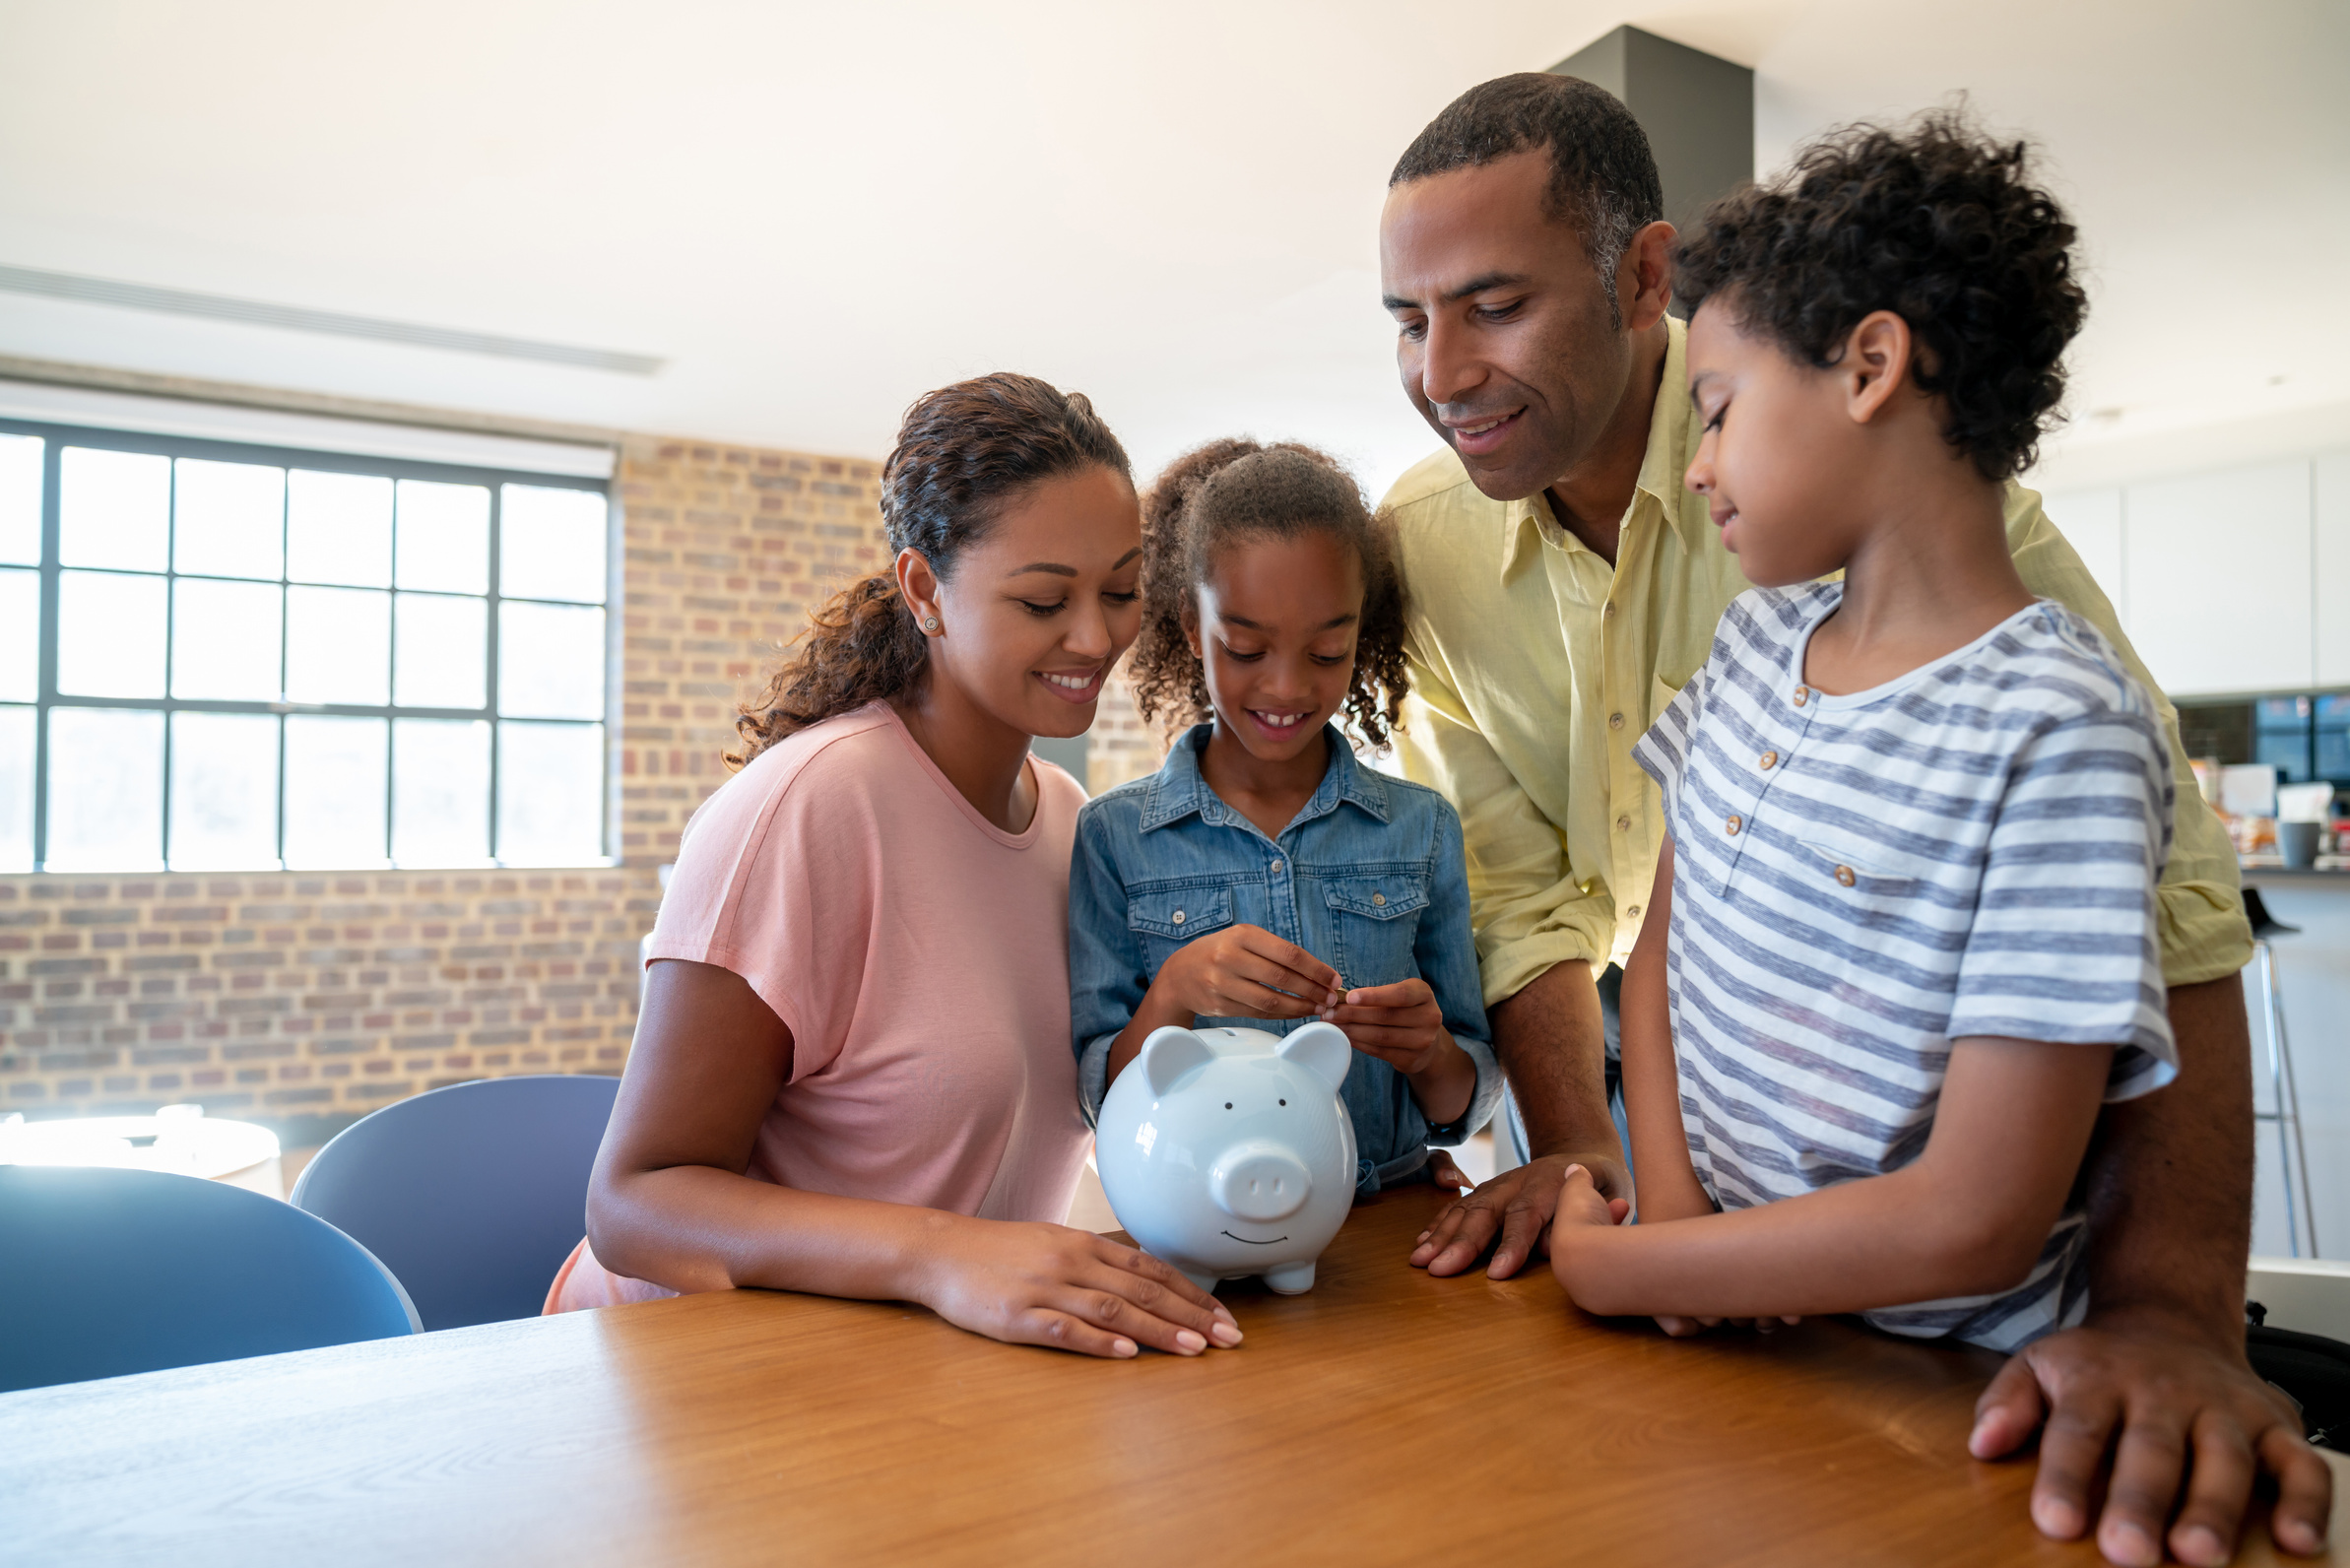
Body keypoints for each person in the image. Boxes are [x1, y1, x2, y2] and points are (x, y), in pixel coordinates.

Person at [1375, 72, 2328, 1563]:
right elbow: (1551, 911)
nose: (1437, 372)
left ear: (1642, 279)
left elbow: (2178, 908)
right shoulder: (1448, 559)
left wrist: (2171, 1310)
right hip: (1714, 1279)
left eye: (1489, 304)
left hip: (1948, 1348)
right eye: (1405, 320)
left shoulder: (1973, 592)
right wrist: (1615, 1184)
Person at [1552, 114, 2183, 1355]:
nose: (1695, 466)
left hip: (1936, 1384)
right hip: (1725, 1331)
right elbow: (1661, 964)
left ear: (1868, 366)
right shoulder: (1748, 646)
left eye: (1719, 410)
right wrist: (1675, 1224)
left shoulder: (2058, 730)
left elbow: (1974, 1219)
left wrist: (1625, 1270)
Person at [547, 372, 1243, 1362]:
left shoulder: (1072, 823)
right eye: (1045, 598)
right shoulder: (811, 806)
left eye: (1122, 590)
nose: (1095, 637)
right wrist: (945, 1255)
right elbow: (637, 1202)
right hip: (678, 1373)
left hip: (907, 1368)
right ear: (924, 589)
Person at [1069, 439, 1499, 1191]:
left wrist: (1429, 1051)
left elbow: (1462, 1107)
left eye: (1327, 652)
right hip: (1203, 1233)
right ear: (1189, 625)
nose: (1287, 686)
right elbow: (1102, 1103)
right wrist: (1173, 992)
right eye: (1244, 647)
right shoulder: (1114, 839)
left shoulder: (1421, 830)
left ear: (1361, 633)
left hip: (1387, 1233)